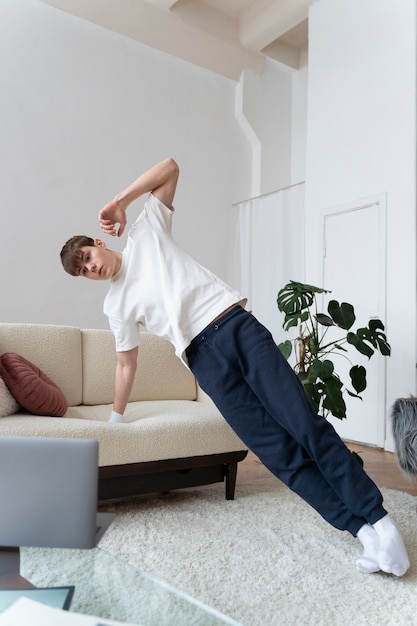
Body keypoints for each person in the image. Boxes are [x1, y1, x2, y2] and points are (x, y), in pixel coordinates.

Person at [60, 157, 410, 577]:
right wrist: (116, 419)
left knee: (302, 424)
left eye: (86, 257)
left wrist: (120, 201)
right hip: (203, 362)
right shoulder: (114, 304)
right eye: (82, 271)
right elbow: (124, 362)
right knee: (276, 453)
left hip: (234, 328)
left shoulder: (145, 231)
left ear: (97, 244)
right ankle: (361, 529)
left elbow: (170, 167)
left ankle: (381, 520)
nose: (91, 268)